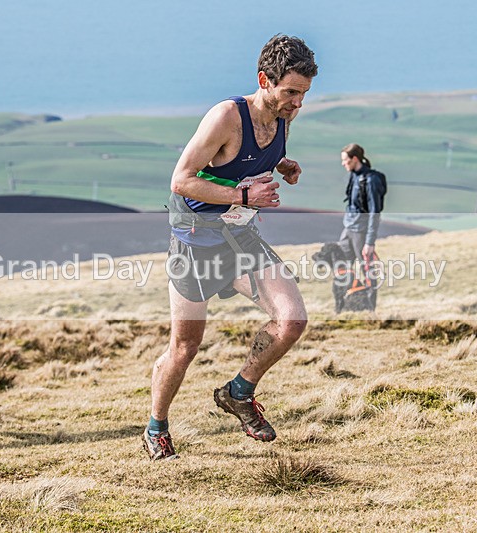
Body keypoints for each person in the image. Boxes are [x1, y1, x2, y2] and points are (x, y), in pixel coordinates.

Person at [142, 35, 318, 460]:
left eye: (304, 94)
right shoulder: (226, 117)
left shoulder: (284, 116)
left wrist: (282, 163)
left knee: (291, 320)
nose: (297, 103)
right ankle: (156, 427)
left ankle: (238, 392)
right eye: (290, 92)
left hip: (240, 239)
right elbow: (181, 180)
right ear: (264, 80)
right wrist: (244, 196)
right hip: (195, 243)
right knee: (185, 347)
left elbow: (247, 159)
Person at [338, 143, 387, 309]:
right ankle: (350, 301)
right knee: (341, 265)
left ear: (355, 159)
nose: (343, 164)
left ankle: (370, 309)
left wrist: (369, 242)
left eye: (345, 160)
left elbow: (374, 213)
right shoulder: (353, 175)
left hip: (361, 232)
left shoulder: (371, 181)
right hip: (348, 228)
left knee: (367, 270)